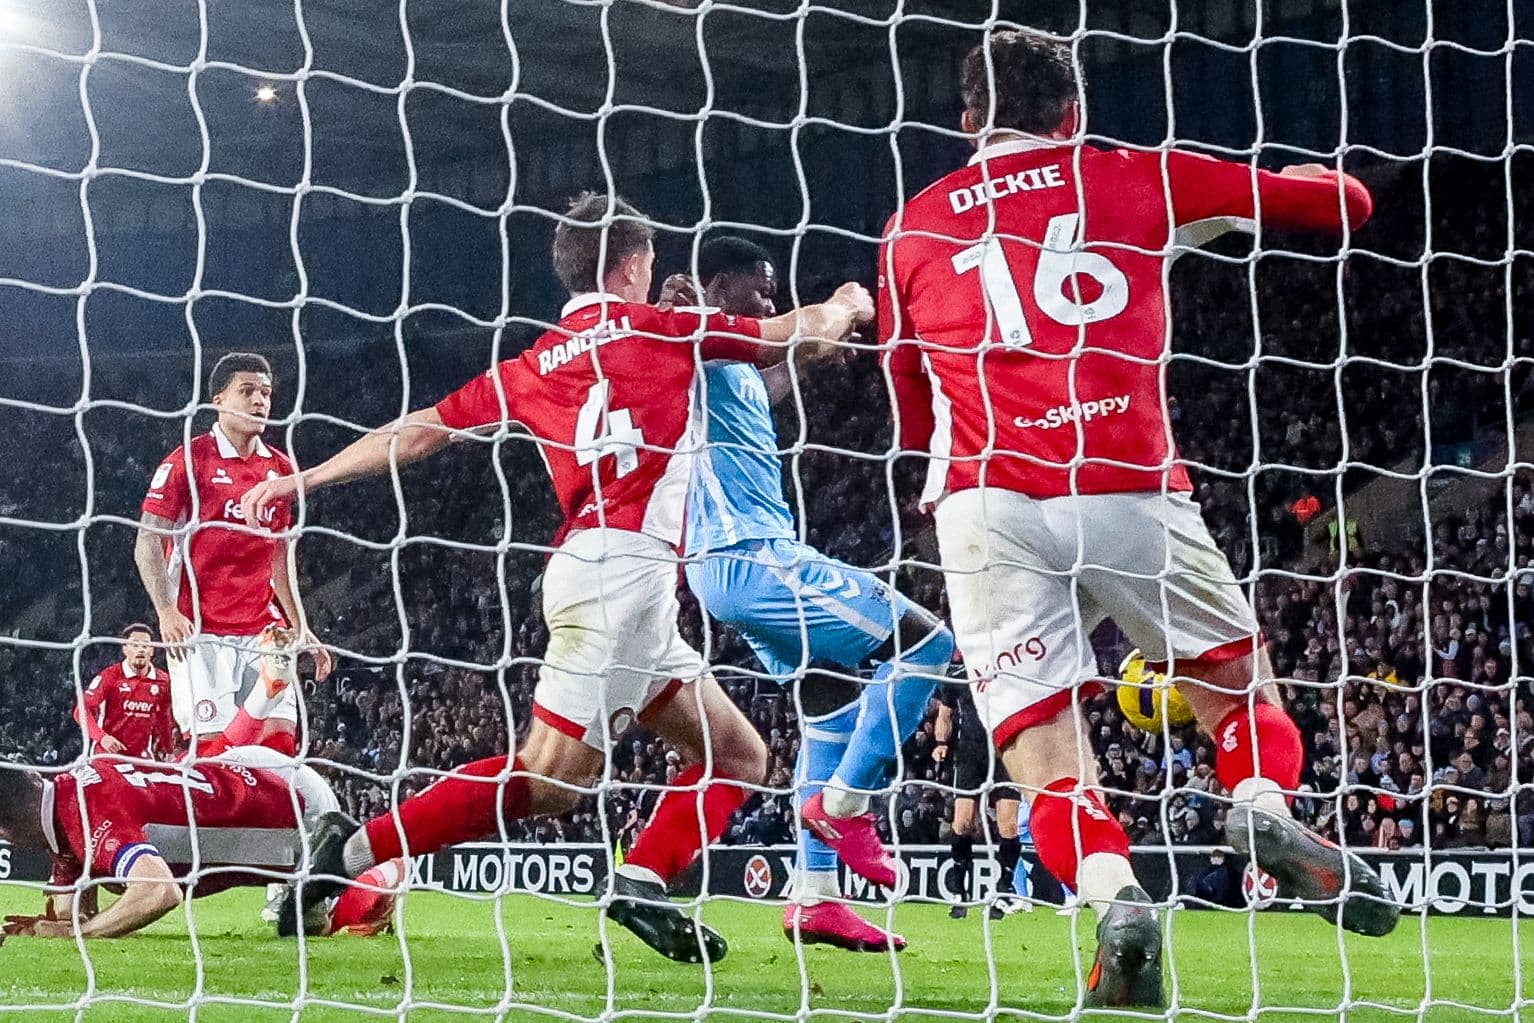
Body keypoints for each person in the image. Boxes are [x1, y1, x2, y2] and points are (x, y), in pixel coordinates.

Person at [880, 30, 1398, 1007]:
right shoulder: (1136, 176)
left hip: (985, 503)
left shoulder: (911, 226)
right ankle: (1258, 802)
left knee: (1046, 757)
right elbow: (1347, 206)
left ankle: (1117, 899)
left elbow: (909, 408)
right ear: (1072, 113)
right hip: (1124, 481)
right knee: (1241, 692)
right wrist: (1298, 180)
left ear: (967, 119)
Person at [241, 192, 873, 964]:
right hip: (622, 578)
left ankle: (640, 880)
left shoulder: (534, 362)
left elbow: (417, 432)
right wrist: (848, 302)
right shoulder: (666, 328)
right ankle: (348, 850)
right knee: (549, 780)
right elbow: (793, 334)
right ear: (633, 266)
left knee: (736, 755)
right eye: (649, 263)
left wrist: (305, 477)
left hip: (611, 579)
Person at [672, 236, 955, 953]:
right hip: (750, 554)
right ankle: (846, 805)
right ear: (719, 284)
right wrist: (844, 306)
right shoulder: (694, 332)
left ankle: (816, 897)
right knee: (928, 643)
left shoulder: (730, 366)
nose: (769, 299)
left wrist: (808, 354)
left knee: (831, 707)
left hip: (732, 567)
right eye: (760, 287)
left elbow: (772, 375)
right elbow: (802, 327)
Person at [133, 352, 334, 757]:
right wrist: (166, 612)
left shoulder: (280, 468)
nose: (259, 400)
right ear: (219, 400)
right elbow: (147, 541)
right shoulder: (188, 460)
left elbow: (279, 554)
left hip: (263, 629)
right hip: (199, 630)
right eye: (247, 391)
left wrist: (301, 624)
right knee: (215, 759)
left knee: (278, 749)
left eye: (266, 393)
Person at [0, 750, 396, 940]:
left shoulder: (89, 816)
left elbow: (159, 891)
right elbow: (70, 911)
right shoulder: (66, 797)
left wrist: (79, 935)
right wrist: (65, 924)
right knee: (302, 928)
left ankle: (383, 867)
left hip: (296, 806)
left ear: (6, 833)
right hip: (241, 777)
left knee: (314, 915)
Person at [933, 681, 1028, 920]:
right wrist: (941, 743)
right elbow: (945, 714)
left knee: (1009, 826)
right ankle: (959, 890)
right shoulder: (959, 676)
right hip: (969, 755)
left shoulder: (1009, 671)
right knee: (962, 823)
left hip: (1005, 751)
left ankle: (1004, 888)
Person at [73, 623, 177, 760]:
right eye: (135, 645)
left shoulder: (163, 680)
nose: (141, 650)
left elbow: (163, 718)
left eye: (145, 645)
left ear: (152, 650)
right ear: (125, 649)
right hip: (108, 755)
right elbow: (80, 710)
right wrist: (102, 737)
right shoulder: (110, 676)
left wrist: (168, 750)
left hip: (142, 758)